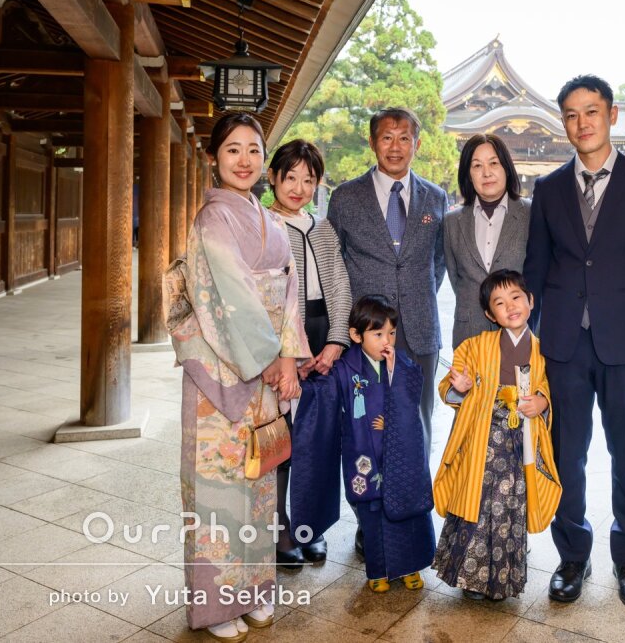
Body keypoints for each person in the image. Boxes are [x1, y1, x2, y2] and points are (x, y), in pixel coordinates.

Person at [523, 75, 625, 608]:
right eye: (570, 114)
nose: (581, 122)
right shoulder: (547, 190)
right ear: (563, 123)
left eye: (591, 111)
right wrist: (532, 344)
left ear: (612, 116)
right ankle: (573, 556)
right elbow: (535, 272)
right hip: (564, 345)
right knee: (567, 454)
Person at [165, 112, 310, 642]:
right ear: (215, 158)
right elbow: (227, 299)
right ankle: (214, 604)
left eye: (254, 150)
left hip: (267, 370)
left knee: (258, 483)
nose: (245, 160)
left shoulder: (268, 219)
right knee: (217, 485)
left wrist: (289, 358)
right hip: (220, 371)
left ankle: (253, 591)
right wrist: (272, 359)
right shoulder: (212, 221)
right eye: (233, 150)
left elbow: (288, 293)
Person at [327, 107, 447, 554]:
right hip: (367, 334)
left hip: (418, 333)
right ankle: (369, 518)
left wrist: (414, 303)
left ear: (417, 143)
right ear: (372, 143)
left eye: (404, 138)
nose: (395, 146)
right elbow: (335, 267)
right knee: (366, 426)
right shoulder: (346, 197)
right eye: (386, 138)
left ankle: (412, 510)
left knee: (417, 425)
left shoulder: (435, 198)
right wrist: (348, 329)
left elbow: (436, 265)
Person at [289, 295, 436, 592]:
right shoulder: (346, 368)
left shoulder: (402, 364)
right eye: (378, 333)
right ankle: (378, 571)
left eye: (391, 333)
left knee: (408, 513)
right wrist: (304, 377)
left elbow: (412, 394)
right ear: (356, 335)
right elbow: (324, 391)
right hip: (363, 458)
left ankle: (411, 567)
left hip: (400, 456)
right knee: (372, 516)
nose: (387, 340)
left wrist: (397, 372)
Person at [432, 269, 561, 601]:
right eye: (499, 303)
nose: (511, 306)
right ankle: (468, 576)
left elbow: (548, 388)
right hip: (482, 439)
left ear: (530, 301)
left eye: (516, 297)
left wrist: (542, 402)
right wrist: (457, 387)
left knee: (509, 505)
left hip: (520, 440)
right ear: (490, 314)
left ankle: (500, 579)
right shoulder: (476, 346)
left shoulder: (544, 350)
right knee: (475, 501)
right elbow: (450, 387)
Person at [265, 139, 351, 567]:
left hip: (322, 330)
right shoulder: (262, 224)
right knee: (281, 438)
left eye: (308, 179)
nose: (298, 187)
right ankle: (280, 531)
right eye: (290, 177)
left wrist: (336, 341)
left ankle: (310, 528)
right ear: (273, 179)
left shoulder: (322, 227)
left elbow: (338, 284)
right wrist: (288, 353)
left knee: (319, 438)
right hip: (280, 338)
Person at [443, 134, 530, 349]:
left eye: (493, 163)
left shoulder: (531, 214)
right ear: (468, 174)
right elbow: (456, 278)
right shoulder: (452, 221)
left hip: (519, 332)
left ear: (506, 168)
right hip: (469, 334)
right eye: (477, 166)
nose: (487, 173)